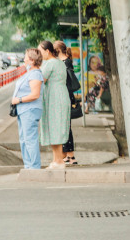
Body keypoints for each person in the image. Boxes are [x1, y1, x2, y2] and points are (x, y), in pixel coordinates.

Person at [38, 41, 71, 170]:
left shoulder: (50, 63)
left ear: (47, 51)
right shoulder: (59, 62)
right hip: (60, 95)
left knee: (54, 127)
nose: (39, 54)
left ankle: (59, 161)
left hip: (54, 98)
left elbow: (41, 79)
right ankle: (56, 160)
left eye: (40, 51)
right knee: (57, 127)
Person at [12, 48, 44, 169]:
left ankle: (34, 167)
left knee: (30, 140)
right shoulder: (30, 73)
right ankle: (28, 166)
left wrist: (19, 100)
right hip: (23, 110)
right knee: (24, 140)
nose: (24, 59)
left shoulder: (35, 74)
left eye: (26, 57)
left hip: (30, 110)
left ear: (32, 60)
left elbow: (35, 95)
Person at [54, 41, 79, 166]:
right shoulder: (64, 62)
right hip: (66, 96)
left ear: (58, 50)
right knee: (64, 127)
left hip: (66, 96)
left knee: (65, 127)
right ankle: (67, 155)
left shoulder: (65, 63)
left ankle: (70, 155)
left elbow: (67, 81)